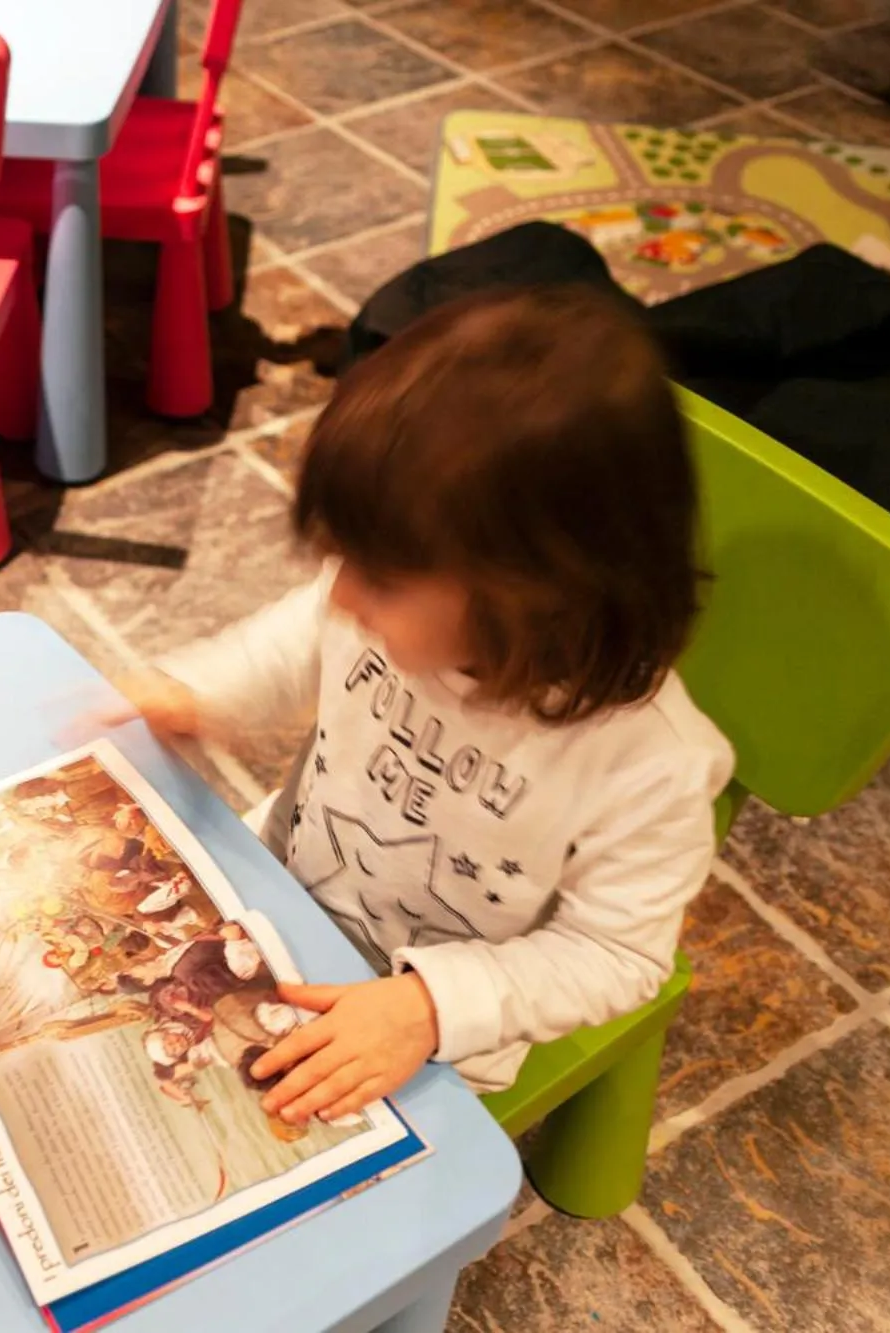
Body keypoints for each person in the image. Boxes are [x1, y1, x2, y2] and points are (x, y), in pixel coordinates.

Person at [89, 286, 734, 1127]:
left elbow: (615, 953)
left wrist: (429, 1007)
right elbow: (293, 643)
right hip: (286, 895)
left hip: (434, 1028)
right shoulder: (376, 593)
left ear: (536, 593)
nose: (343, 594)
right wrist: (189, 691)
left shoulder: (651, 765)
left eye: (381, 579)